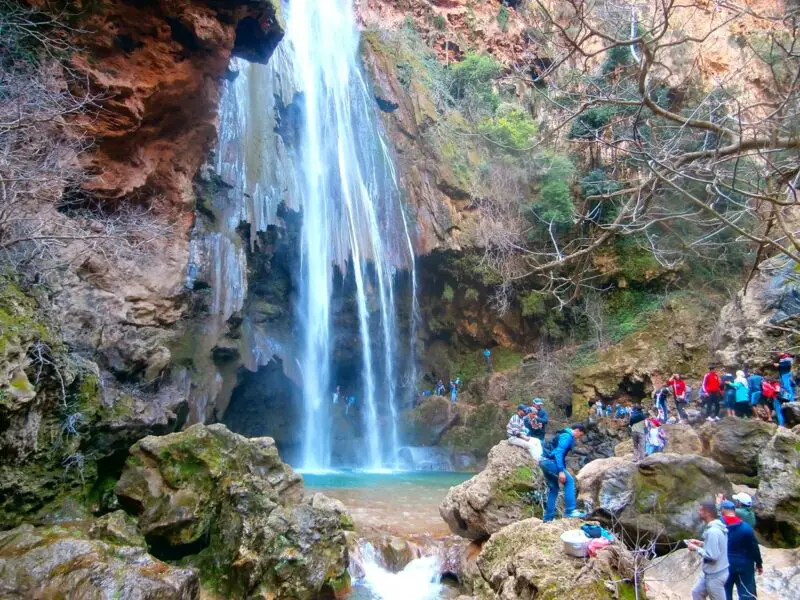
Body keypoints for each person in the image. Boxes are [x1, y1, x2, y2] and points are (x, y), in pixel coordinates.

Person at [539, 424, 587, 522]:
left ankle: (548, 518)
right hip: (550, 462)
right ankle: (570, 511)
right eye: (580, 435)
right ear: (577, 430)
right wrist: (561, 471)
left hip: (544, 462)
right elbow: (558, 452)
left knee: (554, 488)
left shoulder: (563, 434)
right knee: (569, 482)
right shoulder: (567, 436)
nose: (579, 438)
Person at [719, 500, 762, 600]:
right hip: (745, 565)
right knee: (747, 595)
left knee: (724, 595)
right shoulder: (746, 528)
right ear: (734, 511)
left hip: (723, 566)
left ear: (722, 510)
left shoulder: (717, 527)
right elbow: (754, 548)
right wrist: (759, 563)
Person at [687, 502, 729, 600]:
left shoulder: (713, 531)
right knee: (696, 593)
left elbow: (713, 556)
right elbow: (718, 545)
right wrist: (701, 543)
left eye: (701, 510)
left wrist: (695, 548)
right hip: (713, 572)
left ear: (708, 513)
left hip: (715, 574)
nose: (699, 512)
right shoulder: (719, 526)